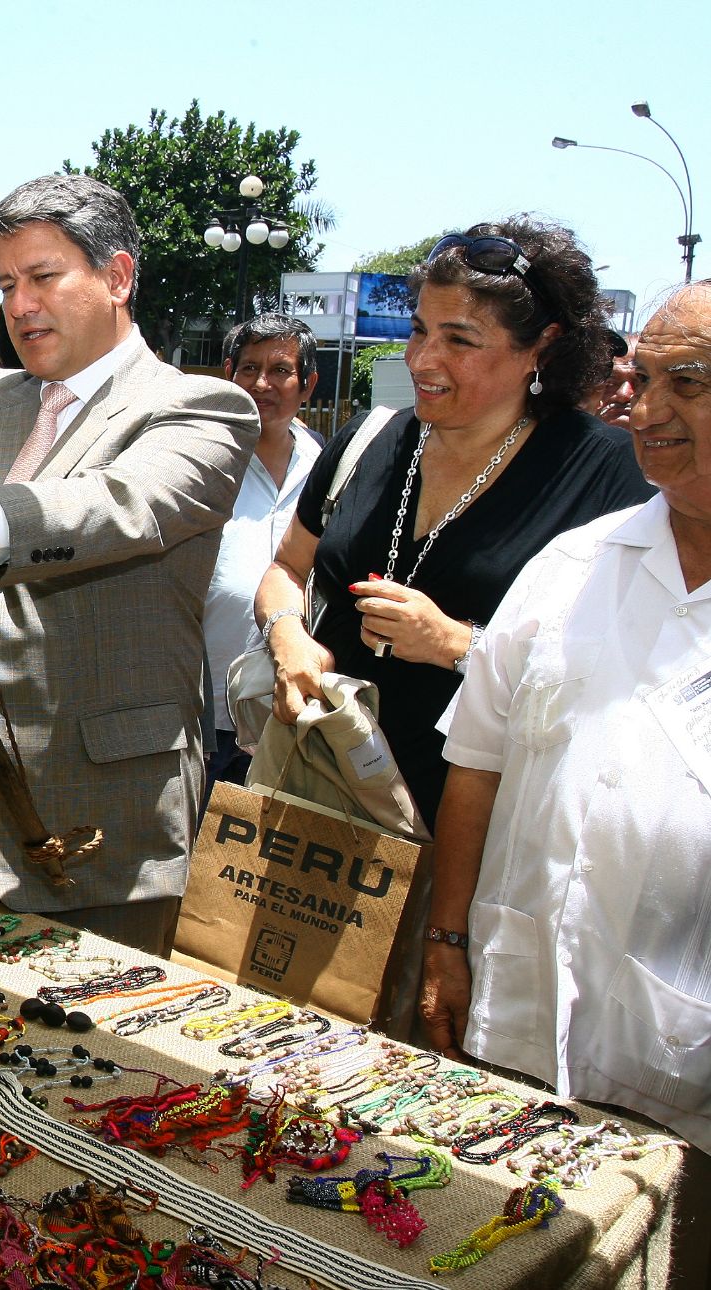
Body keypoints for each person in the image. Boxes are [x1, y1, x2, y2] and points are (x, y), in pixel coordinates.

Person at [0, 173, 257, 954]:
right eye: (5, 283)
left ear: (118, 276)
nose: (19, 304)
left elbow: (116, 510)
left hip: (94, 809)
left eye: (42, 276)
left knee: (96, 1053)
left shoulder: (200, 407)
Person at [421, 280, 711, 1206]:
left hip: (680, 1078)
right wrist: (447, 942)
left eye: (691, 382)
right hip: (513, 1027)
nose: (648, 409)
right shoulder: (572, 565)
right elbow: (477, 761)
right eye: (644, 377)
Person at [253, 219, 654, 827]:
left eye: (460, 340)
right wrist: (288, 639)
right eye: (418, 331)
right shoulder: (368, 440)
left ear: (540, 349)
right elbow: (287, 567)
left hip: (483, 823)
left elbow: (627, 670)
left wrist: (459, 645)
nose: (422, 359)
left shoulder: (610, 476)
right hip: (319, 795)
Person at [203, 314, 322, 785]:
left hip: (293, 710)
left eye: (280, 370)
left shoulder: (329, 468)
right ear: (229, 375)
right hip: (205, 714)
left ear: (308, 384)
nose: (262, 384)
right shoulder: (204, 463)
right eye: (249, 369)